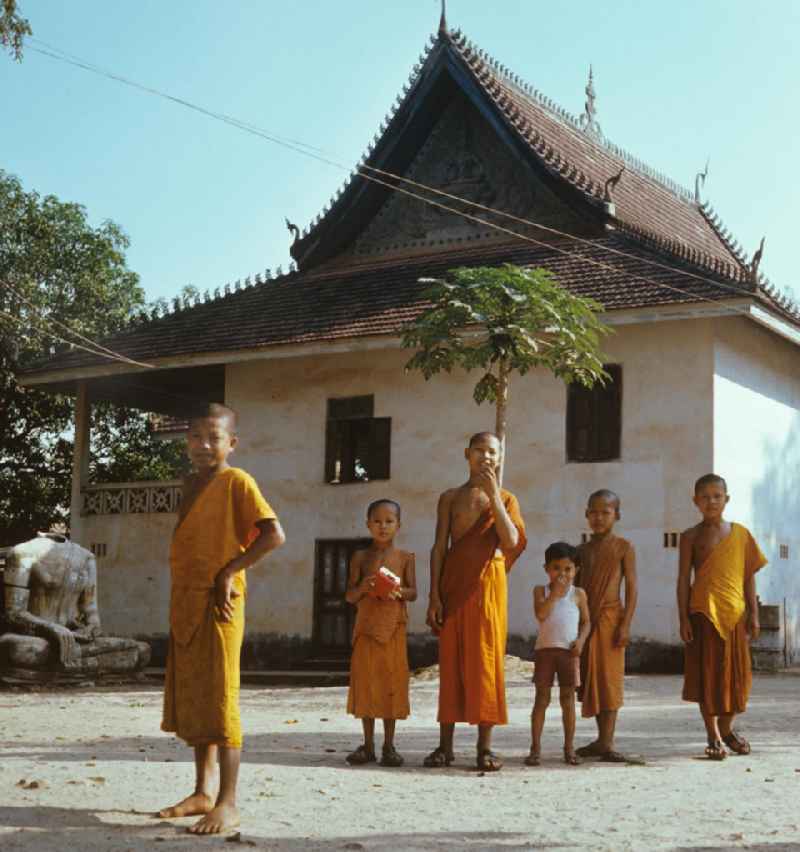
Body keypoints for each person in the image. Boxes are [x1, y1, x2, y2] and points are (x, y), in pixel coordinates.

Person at [157, 403, 285, 835]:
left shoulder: (237, 480)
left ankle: (228, 801)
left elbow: (273, 535)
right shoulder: (191, 483)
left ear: (232, 443)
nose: (203, 445)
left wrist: (230, 570)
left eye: (214, 438)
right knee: (196, 695)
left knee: (221, 697)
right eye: (195, 437)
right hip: (187, 600)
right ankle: (201, 791)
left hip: (220, 603)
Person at [424, 432, 527, 772]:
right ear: (467, 454)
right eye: (479, 450)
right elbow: (440, 546)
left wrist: (495, 495)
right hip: (453, 584)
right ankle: (444, 746)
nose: (485, 456)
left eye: (492, 452)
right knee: (451, 662)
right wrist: (434, 595)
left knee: (485, 662)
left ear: (499, 458)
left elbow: (511, 539)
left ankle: (485, 748)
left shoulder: (507, 498)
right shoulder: (449, 497)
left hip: (487, 584)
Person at [678, 474, 767, 760]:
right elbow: (683, 580)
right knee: (707, 677)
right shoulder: (690, 536)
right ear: (696, 502)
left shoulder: (740, 534)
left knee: (737, 678)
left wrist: (754, 614)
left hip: (735, 614)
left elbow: (748, 577)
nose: (711, 501)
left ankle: (727, 728)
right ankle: (713, 734)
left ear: (727, 499)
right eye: (704, 497)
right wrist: (683, 618)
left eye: (717, 496)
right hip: (702, 614)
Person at [344, 499, 417, 767]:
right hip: (366, 628)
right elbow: (350, 596)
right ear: (367, 524)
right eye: (377, 521)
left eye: (389, 521)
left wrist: (398, 591)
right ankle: (368, 744)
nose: (383, 526)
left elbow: (414, 592)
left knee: (391, 685)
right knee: (366, 684)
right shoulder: (360, 557)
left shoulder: (405, 558)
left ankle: (389, 745)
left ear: (399, 525)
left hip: (393, 628)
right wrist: (365, 586)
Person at [574, 489, 638, 762]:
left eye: (606, 512)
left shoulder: (623, 547)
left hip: (611, 620)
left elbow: (632, 588)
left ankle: (608, 742)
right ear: (587, 515)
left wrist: (626, 624)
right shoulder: (580, 551)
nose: (599, 518)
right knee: (591, 679)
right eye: (594, 512)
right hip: (585, 622)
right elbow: (573, 590)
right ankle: (600, 740)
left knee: (609, 681)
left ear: (617, 515)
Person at [527, 541, 590, 766]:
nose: (562, 574)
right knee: (541, 700)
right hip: (545, 651)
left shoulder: (579, 594)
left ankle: (569, 748)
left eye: (567, 569)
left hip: (569, 653)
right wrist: (554, 594)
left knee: (568, 700)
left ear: (576, 571)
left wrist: (581, 641)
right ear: (546, 569)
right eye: (556, 568)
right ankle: (535, 748)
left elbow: (586, 622)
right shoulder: (541, 591)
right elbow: (542, 615)